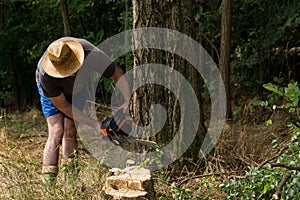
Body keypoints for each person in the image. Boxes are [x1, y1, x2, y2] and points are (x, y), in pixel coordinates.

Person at [36, 37, 131, 186]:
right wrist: (95, 124)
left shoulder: (91, 54)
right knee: (56, 130)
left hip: (78, 90)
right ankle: (48, 186)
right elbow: (65, 107)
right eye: (66, 71)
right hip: (54, 95)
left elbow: (117, 73)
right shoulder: (45, 76)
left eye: (73, 68)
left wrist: (127, 100)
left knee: (70, 129)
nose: (71, 74)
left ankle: (70, 183)